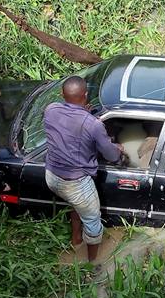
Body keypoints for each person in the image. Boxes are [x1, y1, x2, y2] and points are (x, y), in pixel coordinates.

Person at [43, 76, 125, 260]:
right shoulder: (93, 124)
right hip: (75, 183)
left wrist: (83, 115)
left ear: (62, 94)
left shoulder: (50, 110)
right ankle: (92, 262)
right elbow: (111, 155)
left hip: (51, 175)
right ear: (86, 95)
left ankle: (76, 240)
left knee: (77, 205)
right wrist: (118, 148)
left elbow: (67, 127)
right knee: (93, 223)